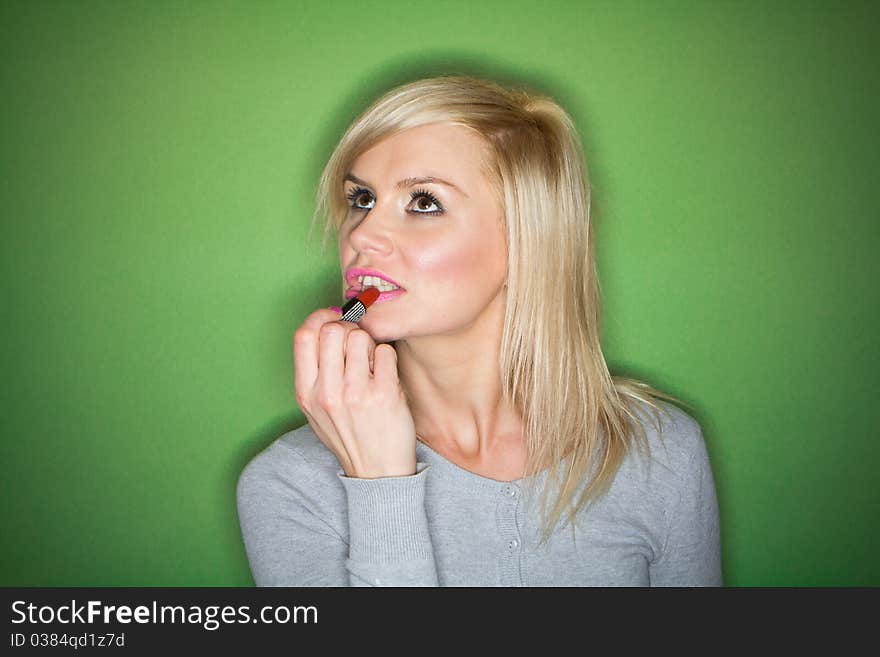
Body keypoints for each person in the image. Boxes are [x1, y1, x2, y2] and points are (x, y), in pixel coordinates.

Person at [236, 74, 722, 586]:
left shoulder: (660, 452)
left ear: (528, 238)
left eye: (423, 202)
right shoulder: (288, 485)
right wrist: (379, 485)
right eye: (361, 199)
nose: (363, 234)